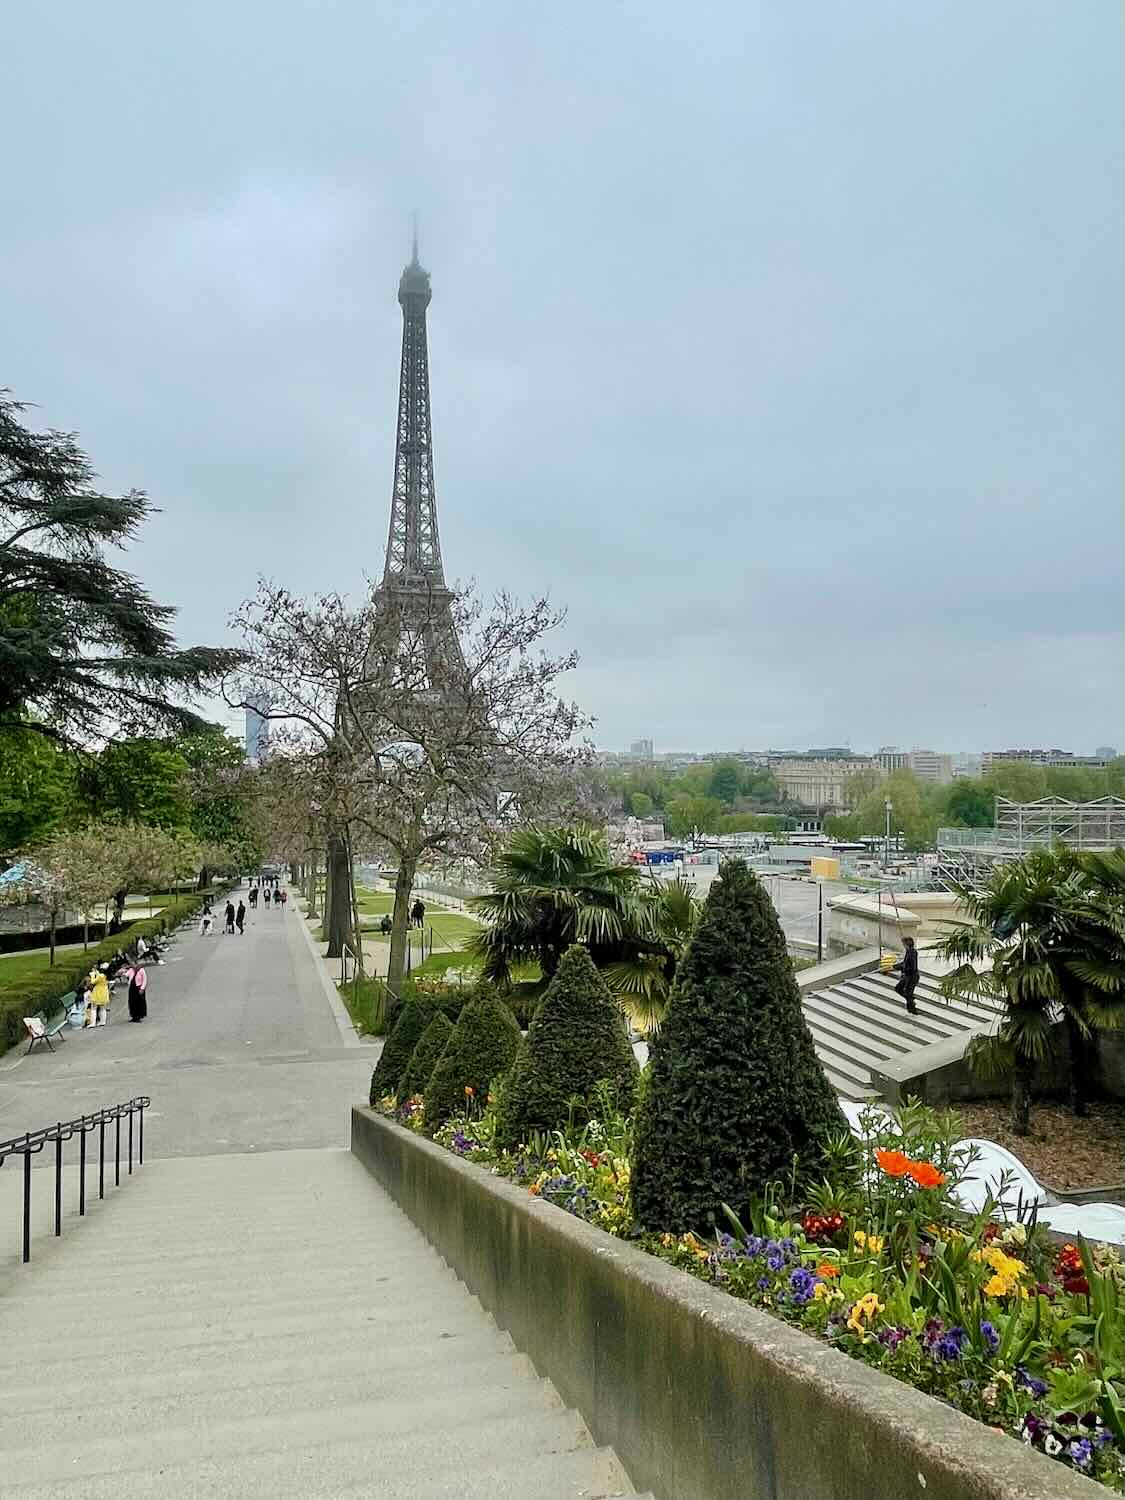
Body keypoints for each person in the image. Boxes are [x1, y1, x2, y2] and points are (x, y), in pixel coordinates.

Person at [892, 936, 920, 1015]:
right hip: (907, 976)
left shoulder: (913, 953)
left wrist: (902, 968)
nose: (903, 945)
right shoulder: (908, 951)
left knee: (908, 993)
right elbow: (905, 963)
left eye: (903, 944)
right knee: (898, 988)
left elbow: (912, 967)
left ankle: (912, 1010)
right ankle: (911, 999)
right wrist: (897, 966)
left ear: (906, 944)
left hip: (912, 977)